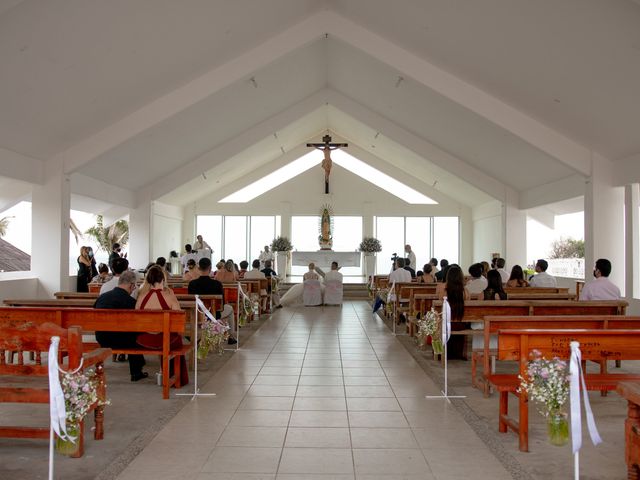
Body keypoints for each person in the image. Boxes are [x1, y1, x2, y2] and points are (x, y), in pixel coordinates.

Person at [135, 266, 189, 385]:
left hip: (144, 338)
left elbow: (137, 318)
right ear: (163, 279)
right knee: (176, 338)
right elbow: (179, 318)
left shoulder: (142, 296)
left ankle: (164, 371)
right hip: (164, 339)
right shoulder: (169, 295)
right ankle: (176, 378)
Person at [94, 271, 147, 382]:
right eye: (134, 286)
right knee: (135, 335)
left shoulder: (102, 298)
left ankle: (139, 366)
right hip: (122, 341)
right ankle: (136, 372)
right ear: (131, 285)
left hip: (101, 338)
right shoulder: (131, 302)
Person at [188, 258, 237, 344]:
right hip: (214, 314)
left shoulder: (192, 284)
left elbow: (191, 301)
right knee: (230, 308)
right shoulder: (217, 284)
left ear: (199, 268)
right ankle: (231, 337)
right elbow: (222, 303)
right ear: (210, 268)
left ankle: (212, 333)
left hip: (197, 313)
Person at [435, 264, 469, 359]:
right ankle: (458, 353)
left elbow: (439, 308)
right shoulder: (465, 292)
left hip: (445, 324)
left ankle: (440, 352)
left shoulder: (444, 292)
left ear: (448, 277)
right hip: (460, 324)